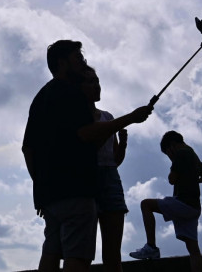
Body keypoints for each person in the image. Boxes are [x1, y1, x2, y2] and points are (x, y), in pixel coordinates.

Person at [22, 40, 153, 272]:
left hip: (50, 193)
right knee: (78, 256)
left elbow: (28, 148)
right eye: (78, 58)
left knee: (51, 252)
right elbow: (86, 134)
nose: (83, 63)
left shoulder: (40, 97)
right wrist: (130, 118)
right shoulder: (73, 95)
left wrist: (40, 186)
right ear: (62, 63)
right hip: (76, 189)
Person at [129, 131, 202, 272]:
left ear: (172, 146)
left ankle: (151, 247)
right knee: (193, 249)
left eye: (167, 152)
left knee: (146, 204)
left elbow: (171, 179)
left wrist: (174, 163)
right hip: (194, 207)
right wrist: (193, 181)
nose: (168, 156)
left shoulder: (181, 154)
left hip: (183, 202)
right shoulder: (194, 156)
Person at [81, 66, 128, 272]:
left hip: (110, 177)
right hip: (87, 179)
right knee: (81, 251)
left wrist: (123, 143)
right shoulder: (78, 119)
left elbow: (115, 160)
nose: (96, 86)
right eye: (90, 82)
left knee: (113, 250)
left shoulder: (108, 117)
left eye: (97, 81)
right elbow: (87, 151)